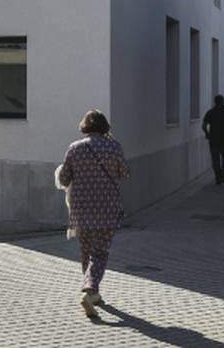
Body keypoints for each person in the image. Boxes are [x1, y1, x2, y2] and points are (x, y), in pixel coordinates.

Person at [55, 109, 130, 318]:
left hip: (81, 209)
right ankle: (89, 291)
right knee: (100, 253)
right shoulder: (113, 147)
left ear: (85, 127)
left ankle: (94, 293)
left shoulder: (74, 148)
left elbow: (63, 179)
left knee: (86, 251)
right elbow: (124, 173)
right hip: (107, 208)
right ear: (105, 126)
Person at [201, 95, 224, 184]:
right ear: (223, 101)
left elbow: (204, 126)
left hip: (213, 140)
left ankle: (218, 176)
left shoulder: (210, 112)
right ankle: (223, 172)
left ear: (215, 102)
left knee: (215, 160)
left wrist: (207, 134)